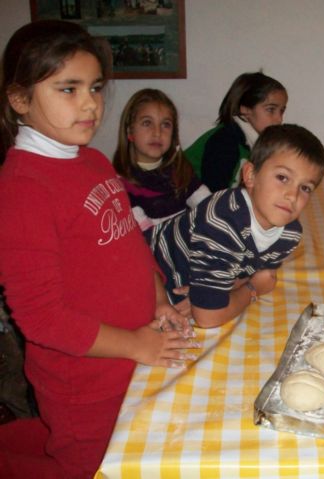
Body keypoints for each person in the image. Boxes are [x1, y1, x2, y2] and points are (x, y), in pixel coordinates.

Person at [0, 20, 199, 479]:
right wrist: (137, 344)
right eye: (68, 89)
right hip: (83, 383)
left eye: (94, 87)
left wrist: (157, 298)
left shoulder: (91, 159)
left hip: (131, 357)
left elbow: (130, 243)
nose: (91, 103)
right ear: (20, 99)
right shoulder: (23, 189)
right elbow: (41, 318)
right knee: (89, 467)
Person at [148, 124, 324, 329]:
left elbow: (249, 273)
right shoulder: (222, 222)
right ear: (250, 175)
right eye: (282, 178)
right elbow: (208, 317)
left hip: (187, 280)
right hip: (147, 263)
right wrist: (253, 289)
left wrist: (211, 291)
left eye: (305, 188)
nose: (292, 196)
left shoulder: (290, 233)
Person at [113, 88, 210, 231]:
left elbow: (209, 206)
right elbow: (147, 236)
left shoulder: (180, 171)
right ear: (130, 132)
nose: (157, 133)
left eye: (166, 125)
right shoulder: (120, 184)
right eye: (147, 123)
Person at [185, 71, 288, 192]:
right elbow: (215, 194)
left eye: (281, 111)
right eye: (271, 109)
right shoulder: (224, 140)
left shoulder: (252, 143)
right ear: (245, 109)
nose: (279, 119)